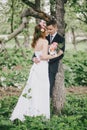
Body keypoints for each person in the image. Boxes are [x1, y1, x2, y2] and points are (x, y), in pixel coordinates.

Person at [10, 21, 59, 122]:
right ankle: (40, 114)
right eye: (46, 30)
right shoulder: (44, 41)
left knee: (33, 89)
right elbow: (44, 56)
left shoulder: (36, 41)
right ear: (43, 31)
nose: (47, 32)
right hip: (42, 68)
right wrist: (54, 55)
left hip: (36, 67)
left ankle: (29, 112)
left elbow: (38, 55)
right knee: (42, 90)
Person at [33, 19, 65, 97]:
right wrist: (34, 58)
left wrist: (48, 59)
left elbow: (61, 54)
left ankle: (46, 104)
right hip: (42, 65)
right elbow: (38, 50)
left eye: (50, 29)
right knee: (39, 85)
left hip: (52, 66)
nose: (49, 31)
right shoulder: (44, 37)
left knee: (48, 86)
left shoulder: (61, 39)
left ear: (56, 28)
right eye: (47, 29)